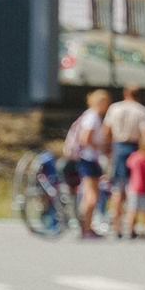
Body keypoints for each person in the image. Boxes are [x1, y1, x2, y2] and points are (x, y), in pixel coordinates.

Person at [63, 87, 111, 238]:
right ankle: (84, 227)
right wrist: (100, 146)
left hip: (89, 158)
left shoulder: (90, 115)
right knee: (91, 195)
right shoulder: (92, 116)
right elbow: (85, 138)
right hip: (88, 158)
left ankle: (86, 226)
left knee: (90, 194)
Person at [101, 85, 145, 213]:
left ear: (125, 94)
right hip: (135, 149)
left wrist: (106, 149)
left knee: (118, 187)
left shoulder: (115, 108)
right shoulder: (143, 111)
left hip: (118, 147)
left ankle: (116, 223)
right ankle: (131, 224)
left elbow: (106, 132)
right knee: (134, 187)